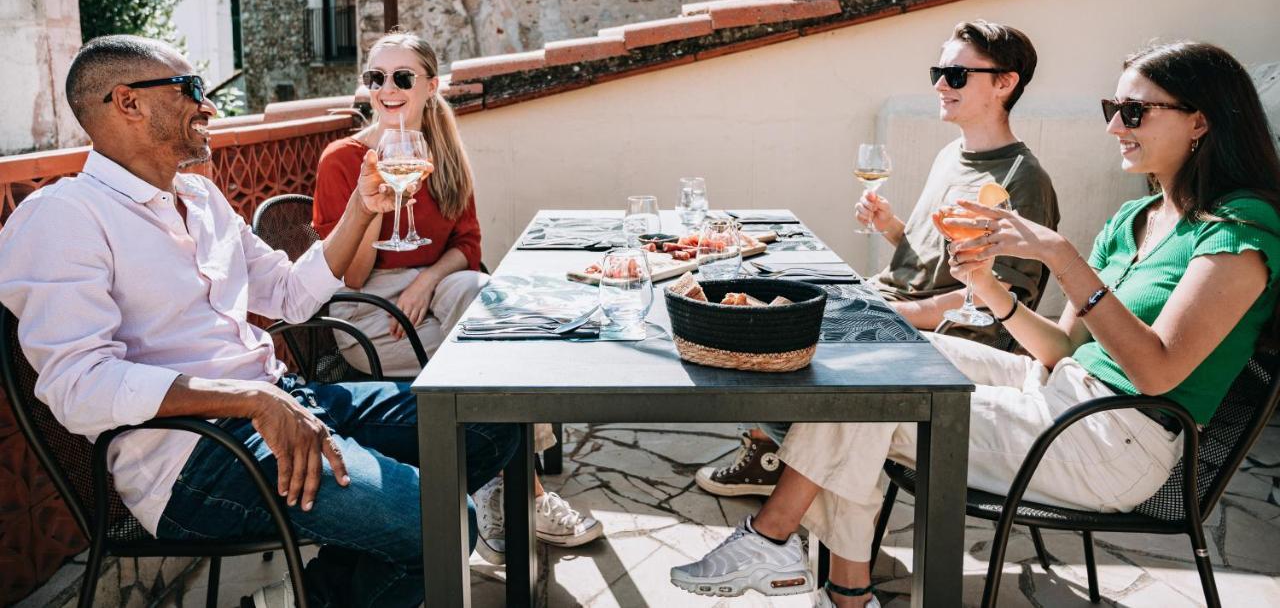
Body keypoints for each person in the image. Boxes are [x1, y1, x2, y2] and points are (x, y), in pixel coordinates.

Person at [671, 41, 1280, 607]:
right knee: (871, 355)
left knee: (875, 402)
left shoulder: (1237, 232)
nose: (1114, 126)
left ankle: (784, 546)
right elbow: (1062, 346)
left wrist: (1062, 258)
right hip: (1058, 390)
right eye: (1111, 107)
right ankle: (829, 581)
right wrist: (987, 288)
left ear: (1200, 121)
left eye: (1134, 111)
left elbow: (1154, 371)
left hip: (1116, 440)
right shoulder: (1136, 216)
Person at [0, 35, 520, 608]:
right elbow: (79, 387)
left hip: (285, 401)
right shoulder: (65, 217)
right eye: (192, 89)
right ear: (128, 102)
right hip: (191, 460)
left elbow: (293, 296)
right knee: (441, 520)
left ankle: (308, 590)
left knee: (490, 417)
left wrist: (362, 208)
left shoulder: (199, 198)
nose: (209, 106)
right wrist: (250, 401)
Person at [697, 20, 1059, 500]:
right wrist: (893, 228)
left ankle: (796, 470)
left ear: (1005, 82)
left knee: (780, 336)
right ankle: (779, 456)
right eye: (938, 71)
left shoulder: (1023, 178)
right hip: (888, 298)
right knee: (756, 299)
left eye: (955, 75)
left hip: (947, 336)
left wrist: (901, 313)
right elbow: (940, 259)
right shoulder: (953, 154)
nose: (938, 85)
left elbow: (1000, 298)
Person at [312, 30, 602, 561]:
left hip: (437, 293)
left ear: (430, 86)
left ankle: (505, 483)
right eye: (376, 78)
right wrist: (371, 204)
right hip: (370, 316)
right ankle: (515, 487)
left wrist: (425, 281)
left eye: (402, 77)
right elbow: (351, 278)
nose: (387, 89)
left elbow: (468, 245)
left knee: (481, 294)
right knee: (496, 344)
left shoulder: (441, 152)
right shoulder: (342, 160)